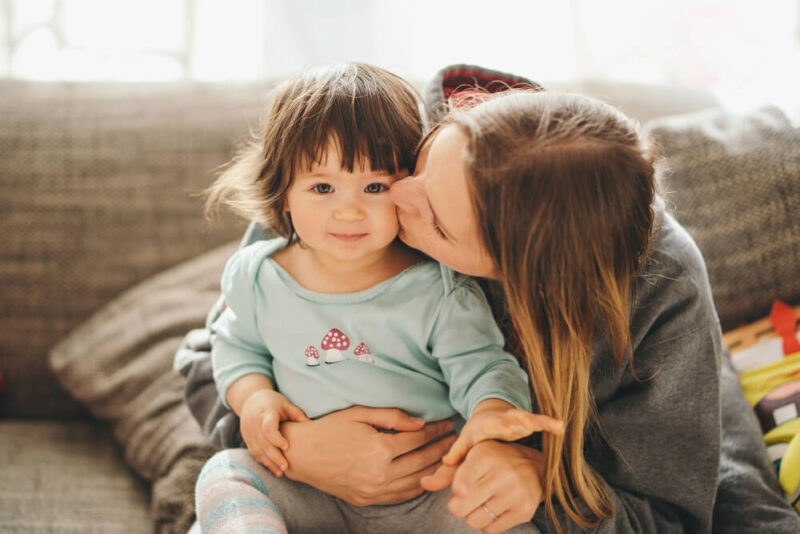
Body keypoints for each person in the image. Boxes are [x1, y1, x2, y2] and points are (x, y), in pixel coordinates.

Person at [177, 65, 800, 534]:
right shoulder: (367, 157)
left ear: (510, 277)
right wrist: (300, 448)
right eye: (416, 168)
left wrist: (545, 490)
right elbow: (216, 350)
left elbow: (673, 506)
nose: (393, 200)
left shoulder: (660, 289)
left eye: (438, 226)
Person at [192, 62, 564, 534]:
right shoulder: (256, 275)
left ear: (409, 186)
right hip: (307, 489)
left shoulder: (441, 288)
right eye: (322, 187)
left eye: (375, 187)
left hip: (429, 492)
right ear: (284, 191)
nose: (349, 209)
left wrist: (492, 416)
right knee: (223, 474)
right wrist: (254, 400)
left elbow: (484, 366)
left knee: (506, 521)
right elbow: (235, 347)